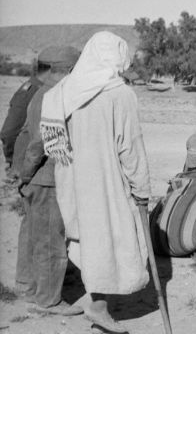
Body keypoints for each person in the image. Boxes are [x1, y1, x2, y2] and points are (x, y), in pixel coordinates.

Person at [41, 31, 151, 333]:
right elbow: (130, 146)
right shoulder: (120, 94)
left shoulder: (66, 90)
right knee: (108, 239)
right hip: (105, 180)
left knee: (86, 237)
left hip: (72, 177)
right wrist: (141, 189)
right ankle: (99, 307)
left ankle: (90, 296)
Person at [14, 46, 82, 314]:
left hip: (36, 178)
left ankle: (29, 287)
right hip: (47, 178)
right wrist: (28, 174)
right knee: (51, 241)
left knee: (34, 235)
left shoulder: (40, 93)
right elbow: (41, 142)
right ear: (62, 70)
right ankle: (48, 299)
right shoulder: (54, 96)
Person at [1, 56, 49, 177]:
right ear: (50, 71)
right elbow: (9, 133)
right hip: (30, 169)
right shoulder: (31, 92)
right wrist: (15, 161)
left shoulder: (41, 89)